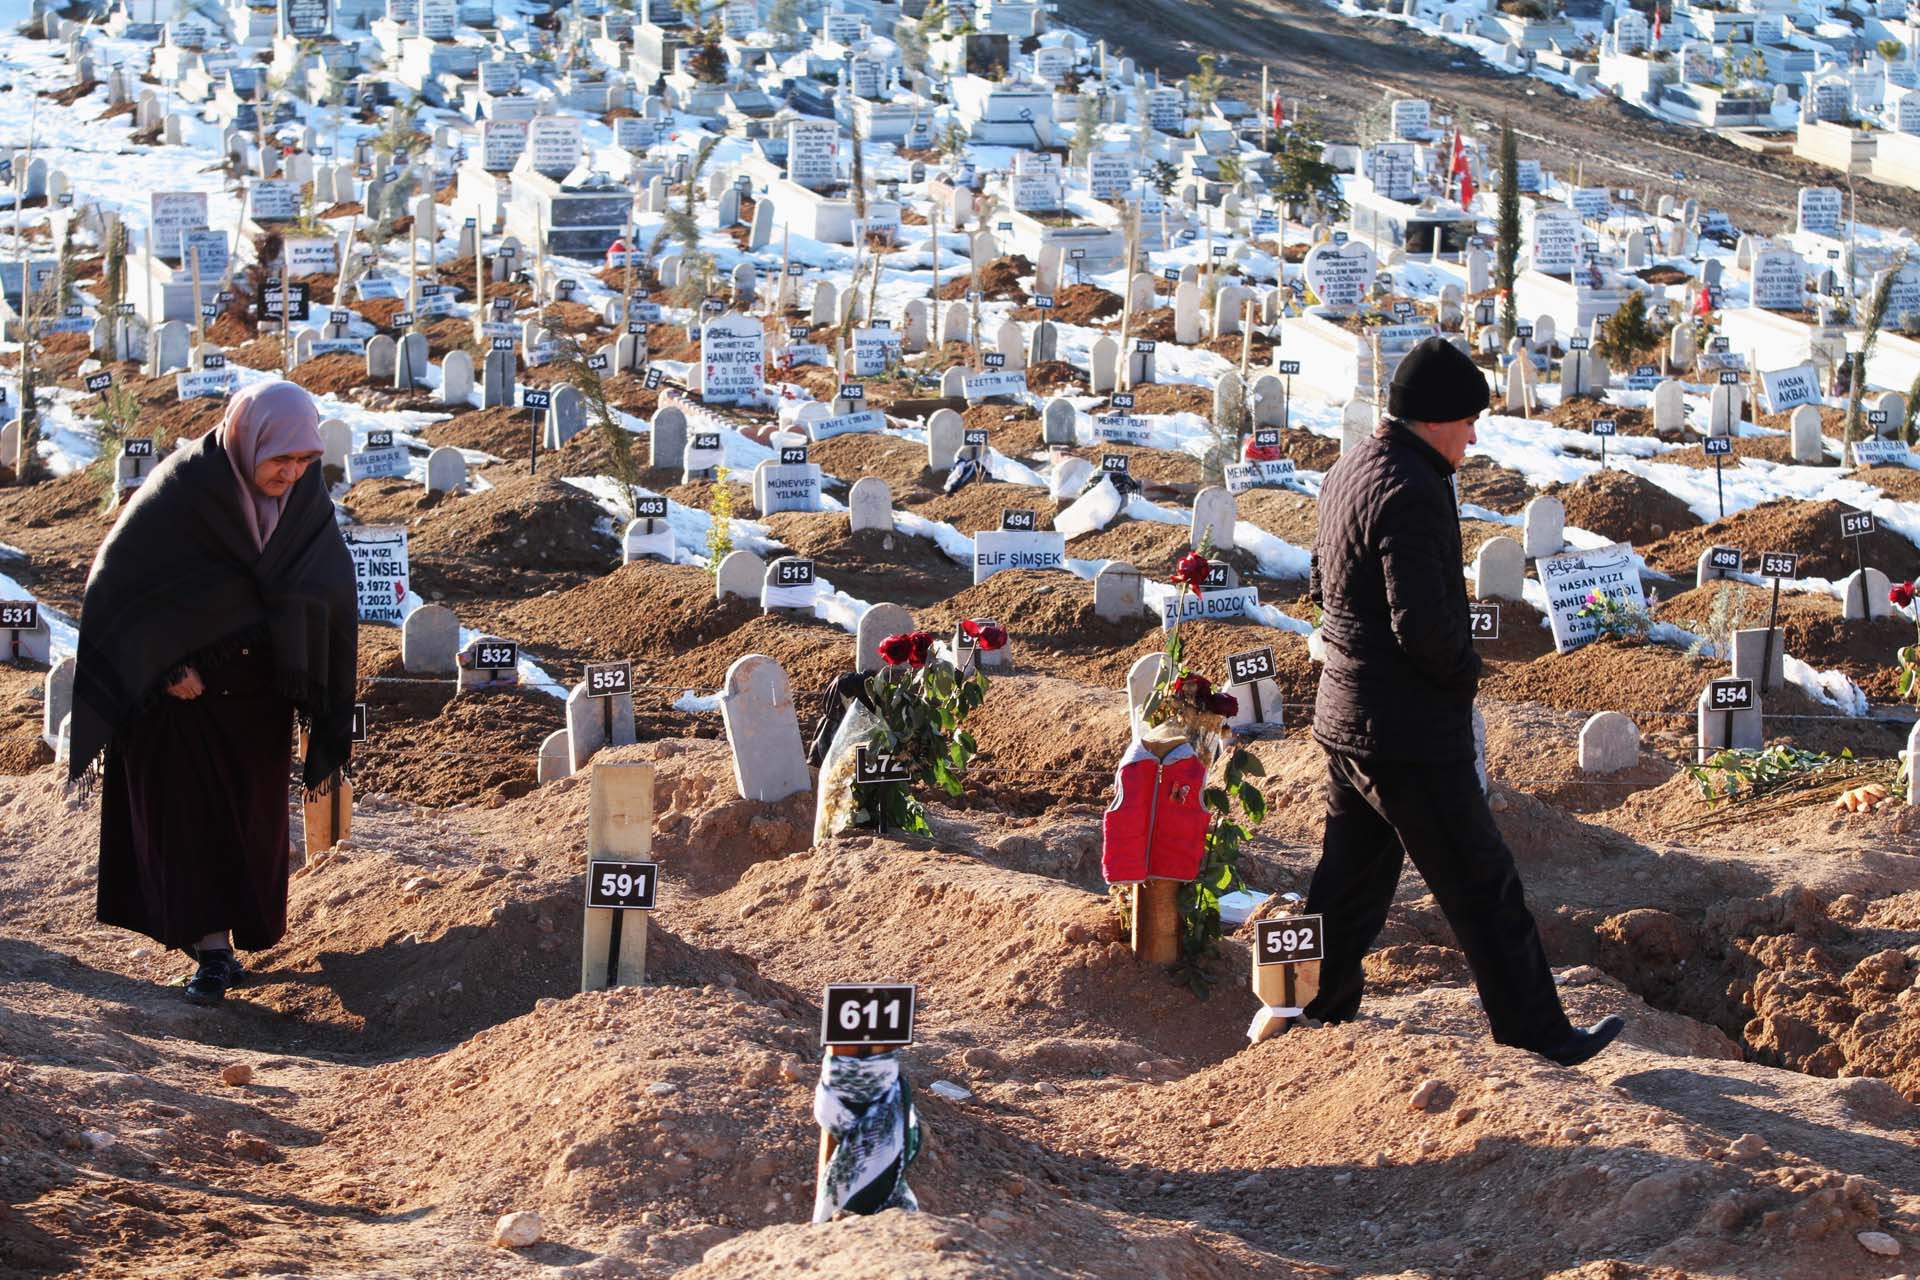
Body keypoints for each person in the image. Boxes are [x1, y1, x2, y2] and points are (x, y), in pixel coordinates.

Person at [1305, 337, 1623, 1068]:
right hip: (1409, 732)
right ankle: (1538, 1035)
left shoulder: (1354, 465)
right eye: (1469, 419)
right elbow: (1422, 627)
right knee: (1484, 886)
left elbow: (1323, 584)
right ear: (1436, 417)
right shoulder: (1414, 490)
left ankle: (1309, 1014)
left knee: (1347, 889)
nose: (1475, 436)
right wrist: (1462, 673)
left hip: (1349, 717)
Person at [71, 380, 359, 1006]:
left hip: (259, 696)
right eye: (279, 458)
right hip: (185, 700)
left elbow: (328, 580)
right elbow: (120, 578)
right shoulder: (185, 489)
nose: (291, 472)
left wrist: (309, 662)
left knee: (249, 824)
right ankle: (212, 953)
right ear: (245, 439)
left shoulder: (305, 497)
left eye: (305, 459)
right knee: (192, 824)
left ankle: (231, 942)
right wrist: (167, 661)